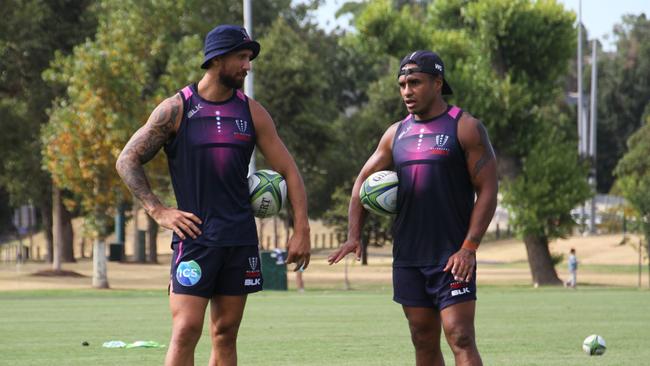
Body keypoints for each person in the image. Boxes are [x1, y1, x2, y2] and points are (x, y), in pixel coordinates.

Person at [116, 24, 311, 366]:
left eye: (249, 58)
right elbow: (127, 159)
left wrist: (302, 229)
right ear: (217, 59)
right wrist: (158, 210)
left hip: (239, 238)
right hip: (195, 239)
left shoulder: (252, 112)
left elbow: (290, 171)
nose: (248, 66)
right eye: (241, 57)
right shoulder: (177, 109)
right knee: (186, 330)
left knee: (225, 333)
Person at [328, 50, 498, 366]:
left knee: (460, 336)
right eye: (403, 84)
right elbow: (361, 182)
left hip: (452, 256)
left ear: (437, 82)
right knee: (422, 340)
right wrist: (354, 235)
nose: (407, 91)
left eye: (415, 82)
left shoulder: (465, 127)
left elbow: (488, 190)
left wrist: (469, 247)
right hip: (408, 257)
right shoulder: (396, 134)